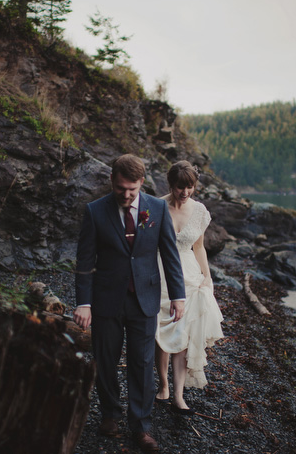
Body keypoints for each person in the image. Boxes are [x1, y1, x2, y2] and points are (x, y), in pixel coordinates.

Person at [74, 154, 186, 452]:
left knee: (142, 362)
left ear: (142, 183)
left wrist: (178, 295)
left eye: (132, 190)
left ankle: (141, 426)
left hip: (145, 299)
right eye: (121, 188)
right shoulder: (95, 211)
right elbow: (85, 262)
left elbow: (170, 255)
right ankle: (110, 414)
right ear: (112, 181)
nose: (126, 195)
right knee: (106, 361)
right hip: (106, 299)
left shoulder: (158, 208)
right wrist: (83, 303)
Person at [155, 160, 224, 414]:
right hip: (159, 273)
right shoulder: (157, 206)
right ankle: (163, 385)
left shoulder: (200, 211)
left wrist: (207, 276)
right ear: (170, 185)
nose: (184, 193)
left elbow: (198, 247)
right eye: (179, 187)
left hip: (189, 275)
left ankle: (179, 395)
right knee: (161, 337)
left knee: (183, 336)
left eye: (190, 188)